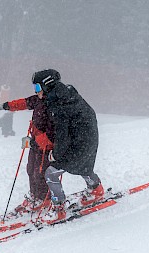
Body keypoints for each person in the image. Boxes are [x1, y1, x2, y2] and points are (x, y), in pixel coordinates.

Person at [31, 69, 104, 224]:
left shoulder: (59, 105)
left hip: (78, 144)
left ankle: (59, 209)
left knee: (50, 173)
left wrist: (56, 154)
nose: (36, 92)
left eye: (37, 88)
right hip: (89, 140)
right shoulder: (67, 94)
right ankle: (96, 189)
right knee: (84, 165)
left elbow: (62, 135)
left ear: (46, 85)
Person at [0, 83, 55, 214]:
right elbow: (23, 103)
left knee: (40, 172)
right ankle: (35, 196)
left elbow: (53, 132)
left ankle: (44, 199)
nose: (36, 91)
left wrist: (35, 141)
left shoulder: (52, 104)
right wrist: (3, 106)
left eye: (38, 88)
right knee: (30, 169)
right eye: (35, 88)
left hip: (45, 145)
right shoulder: (38, 100)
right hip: (35, 142)